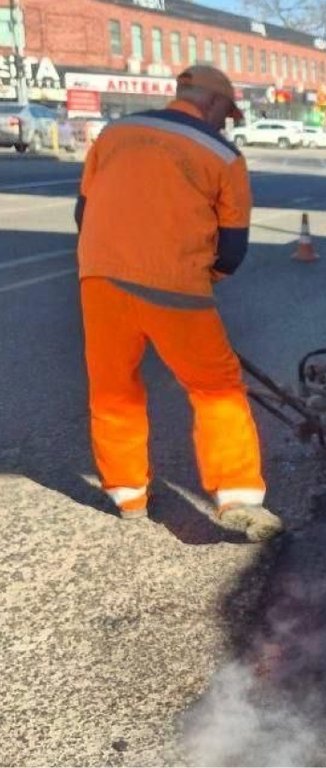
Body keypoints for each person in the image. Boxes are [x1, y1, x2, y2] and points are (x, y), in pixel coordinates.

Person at [75, 65, 283, 541]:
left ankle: (127, 495)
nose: (226, 123)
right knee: (216, 388)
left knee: (114, 387)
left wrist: (109, 256)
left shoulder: (115, 133)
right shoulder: (222, 154)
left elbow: (83, 209)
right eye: (226, 114)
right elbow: (232, 246)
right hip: (174, 286)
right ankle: (238, 496)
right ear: (211, 104)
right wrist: (209, 275)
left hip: (100, 278)